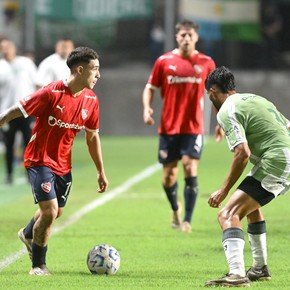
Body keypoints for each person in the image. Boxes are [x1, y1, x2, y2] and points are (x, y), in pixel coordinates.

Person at [0, 46, 108, 275]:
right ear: (80, 69)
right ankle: (38, 265)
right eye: (95, 69)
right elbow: (19, 108)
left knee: (56, 212)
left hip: (63, 164)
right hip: (39, 159)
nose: (98, 75)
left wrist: (100, 171)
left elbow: (92, 137)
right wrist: (1, 120)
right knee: (49, 212)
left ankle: (27, 233)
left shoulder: (91, 100)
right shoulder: (51, 93)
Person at [204, 66, 290, 287]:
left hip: (277, 161)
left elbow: (242, 153)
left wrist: (223, 190)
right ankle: (260, 268)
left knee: (227, 213)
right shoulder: (256, 99)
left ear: (213, 91)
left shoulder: (226, 110)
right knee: (251, 208)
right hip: (281, 158)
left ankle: (236, 274)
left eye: (209, 94)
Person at [142, 20, 217, 233]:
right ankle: (175, 208)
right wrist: (147, 108)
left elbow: (216, 95)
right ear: (177, 37)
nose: (186, 38)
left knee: (189, 166)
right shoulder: (164, 61)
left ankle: (187, 220)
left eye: (190, 35)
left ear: (196, 37)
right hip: (169, 128)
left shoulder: (206, 62)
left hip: (194, 127)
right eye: (183, 35)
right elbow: (150, 88)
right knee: (168, 177)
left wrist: (221, 120)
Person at [0, 38, 37, 184]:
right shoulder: (1, 66)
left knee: (29, 144)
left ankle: (30, 175)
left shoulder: (25, 63)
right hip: (7, 112)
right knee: (9, 144)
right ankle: (9, 174)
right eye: (2, 47)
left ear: (14, 48)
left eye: (7, 46)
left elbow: (37, 83)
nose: (5, 49)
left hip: (26, 110)